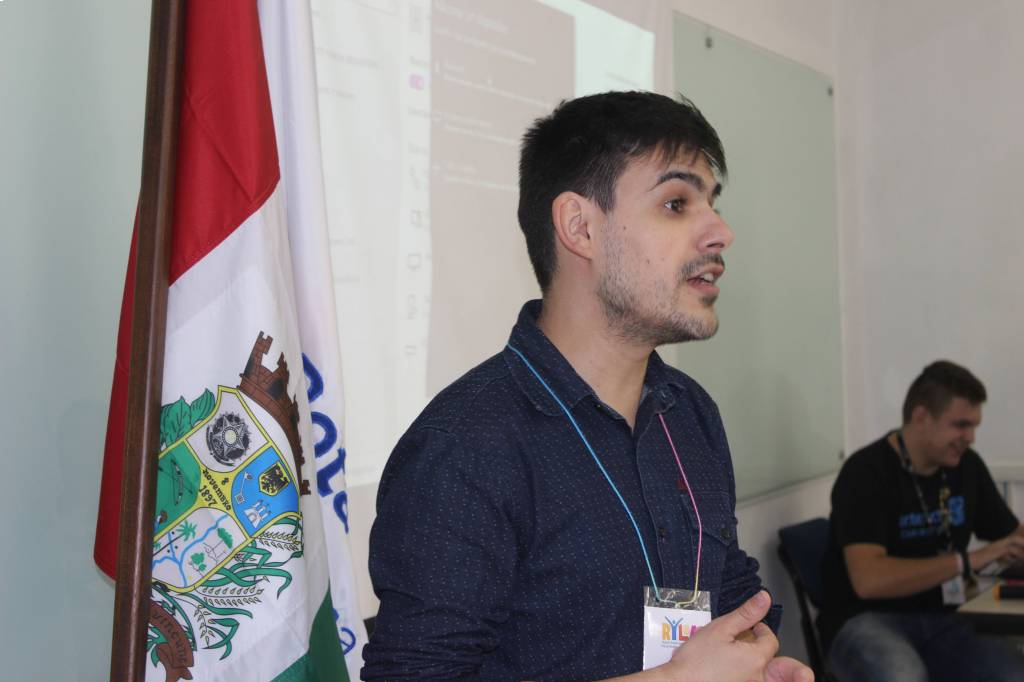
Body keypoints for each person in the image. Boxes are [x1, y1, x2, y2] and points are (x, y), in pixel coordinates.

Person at [361, 91, 811, 681]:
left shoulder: (688, 411)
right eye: (676, 203)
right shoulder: (465, 447)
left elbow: (727, 591)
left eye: (713, 203)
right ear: (580, 228)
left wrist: (759, 661)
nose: (720, 232)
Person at [820, 360, 1024, 681]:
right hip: (867, 618)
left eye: (974, 426)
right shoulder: (865, 472)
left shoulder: (966, 466)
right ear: (921, 417)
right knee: (902, 676)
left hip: (945, 618)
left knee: (1011, 673)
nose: (970, 437)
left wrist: (1011, 549)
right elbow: (869, 581)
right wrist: (966, 561)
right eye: (961, 425)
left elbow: (1013, 537)